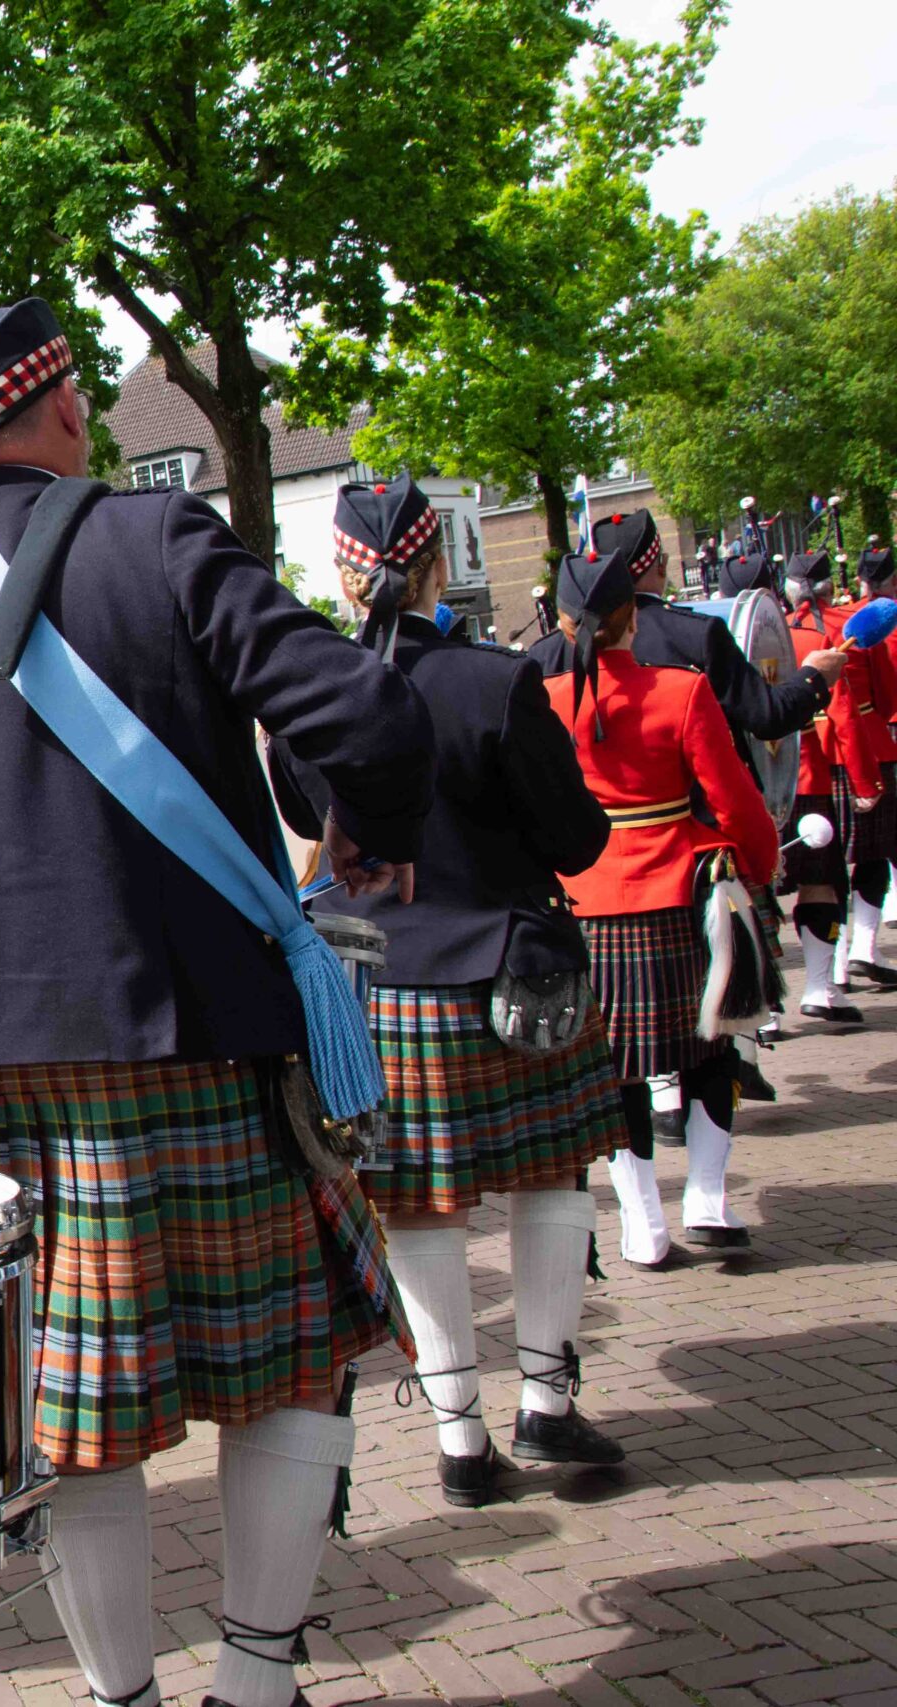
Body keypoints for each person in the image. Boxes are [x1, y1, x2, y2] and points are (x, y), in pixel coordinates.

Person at [0, 298, 432, 1707]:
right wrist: (371, 826)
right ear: (68, 409)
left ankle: (119, 1698)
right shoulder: (155, 539)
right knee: (290, 1369)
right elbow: (367, 717)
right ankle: (257, 1684)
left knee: (65, 1414)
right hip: (179, 1037)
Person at [273, 476, 626, 1509]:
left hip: (383, 986)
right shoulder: (495, 681)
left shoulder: (306, 700)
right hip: (516, 973)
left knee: (419, 1207)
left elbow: (303, 818)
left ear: (346, 576)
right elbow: (574, 839)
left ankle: (459, 1437)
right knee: (552, 1177)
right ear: (436, 565)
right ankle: (547, 1402)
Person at [542, 525, 779, 1268]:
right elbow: (734, 801)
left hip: (585, 906)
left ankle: (642, 1224)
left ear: (563, 624)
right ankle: (707, 1197)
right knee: (713, 1048)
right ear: (634, 618)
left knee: (615, 1071)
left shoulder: (544, 701)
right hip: (680, 894)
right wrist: (760, 865)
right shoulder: (682, 691)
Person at [783, 553, 873, 1024]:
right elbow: (843, 714)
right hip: (807, 779)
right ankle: (820, 988)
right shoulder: (816, 638)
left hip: (754, 785)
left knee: (753, 893)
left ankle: (765, 1012)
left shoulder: (735, 642)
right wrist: (865, 780)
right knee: (820, 883)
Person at [831, 544, 897, 988]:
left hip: (820, 755)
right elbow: (888, 696)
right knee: (874, 853)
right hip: (872, 745)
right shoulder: (867, 623)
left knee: (828, 866)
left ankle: (833, 968)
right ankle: (862, 949)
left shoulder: (831, 621)